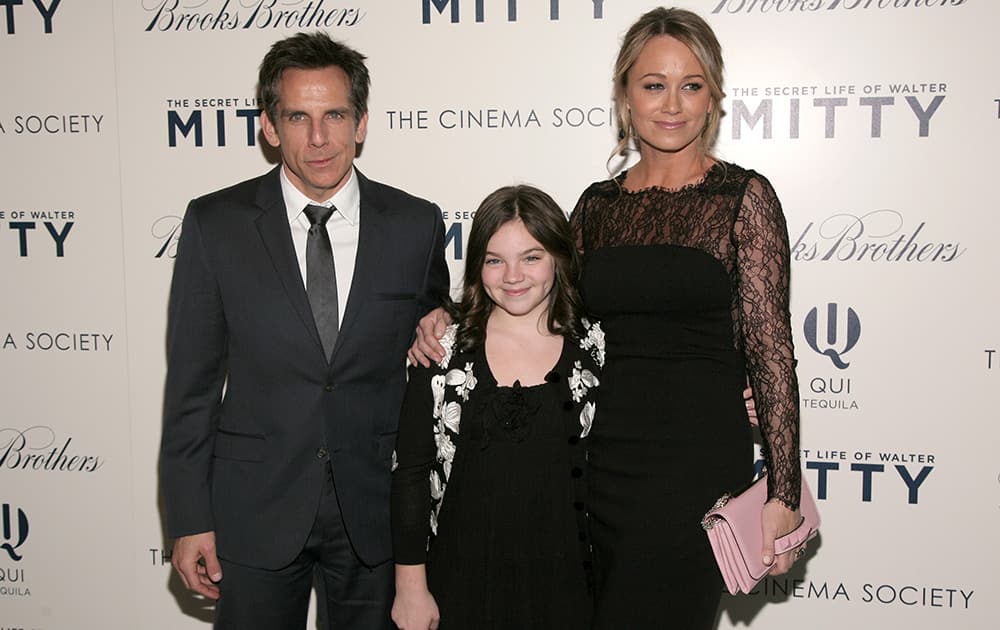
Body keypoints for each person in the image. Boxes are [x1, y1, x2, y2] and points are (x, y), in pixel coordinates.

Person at [411, 7, 805, 628]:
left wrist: (783, 493)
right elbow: (540, 300)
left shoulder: (744, 199)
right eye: (653, 84)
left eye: (691, 84)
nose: (671, 103)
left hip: (693, 471)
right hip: (593, 462)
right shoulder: (597, 206)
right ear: (625, 96)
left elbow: (772, 351)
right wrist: (444, 319)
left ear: (714, 99)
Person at [159, 32, 449, 629]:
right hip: (254, 508)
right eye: (298, 117)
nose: (319, 138)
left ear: (361, 122)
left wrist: (443, 322)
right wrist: (188, 517)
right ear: (268, 126)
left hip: (376, 510)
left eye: (335, 115)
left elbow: (435, 346)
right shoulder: (216, 224)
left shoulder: (415, 224)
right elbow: (191, 385)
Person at [391, 186, 603, 630]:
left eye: (531, 257)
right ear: (476, 267)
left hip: (569, 586)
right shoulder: (442, 350)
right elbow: (411, 473)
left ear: (560, 259)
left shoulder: (596, 349)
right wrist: (410, 587)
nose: (513, 276)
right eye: (494, 260)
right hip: (459, 583)